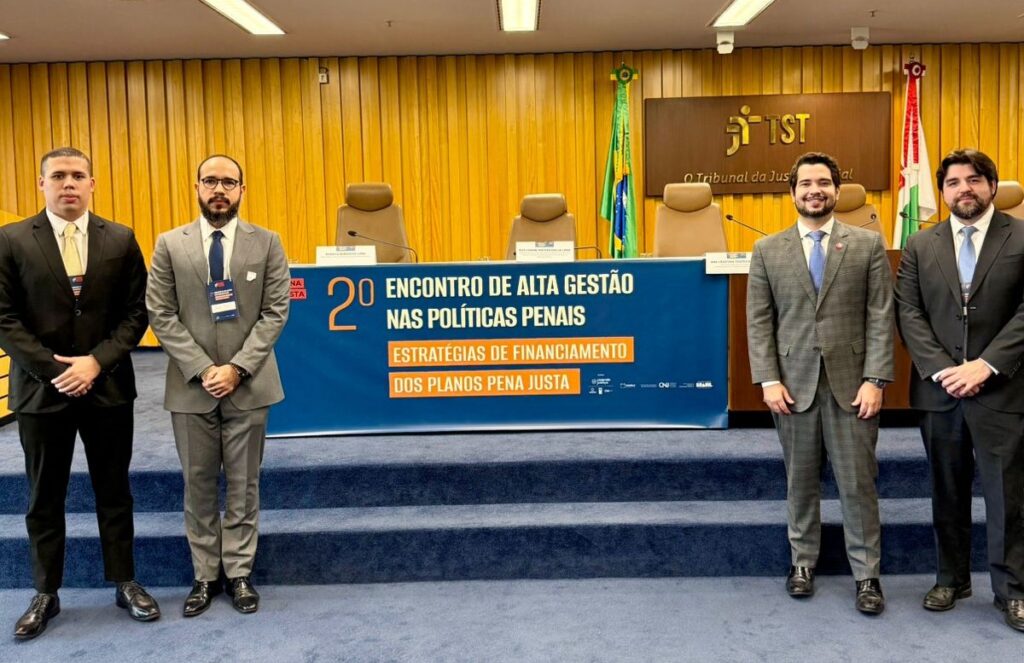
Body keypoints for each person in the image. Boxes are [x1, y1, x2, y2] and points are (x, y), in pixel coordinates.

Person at [0, 147, 159, 640]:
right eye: (58, 176)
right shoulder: (10, 239)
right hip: (41, 392)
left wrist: (96, 362)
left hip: (107, 387)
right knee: (43, 497)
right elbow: (4, 317)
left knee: (114, 492)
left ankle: (125, 581)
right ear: (42, 183)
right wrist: (55, 370)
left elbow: (137, 312)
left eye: (77, 175)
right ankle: (45, 592)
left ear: (92, 184)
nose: (68, 183)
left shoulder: (121, 238)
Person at [747, 151, 894, 614]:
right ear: (792, 193)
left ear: (837, 190)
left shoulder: (867, 245)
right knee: (800, 482)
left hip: (854, 388)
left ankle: (867, 576)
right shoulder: (767, 250)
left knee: (858, 485)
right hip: (792, 388)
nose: (815, 191)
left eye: (824, 183)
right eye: (806, 184)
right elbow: (759, 322)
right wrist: (768, 379)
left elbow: (880, 316)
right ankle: (802, 563)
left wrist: (876, 379)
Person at [146, 154, 289, 617]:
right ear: (197, 187)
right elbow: (160, 313)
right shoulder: (170, 244)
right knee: (199, 485)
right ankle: (205, 576)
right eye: (211, 181)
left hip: (250, 385)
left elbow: (275, 313)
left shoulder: (267, 243)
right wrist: (204, 368)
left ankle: (240, 573)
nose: (219, 190)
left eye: (229, 182)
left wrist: (237, 369)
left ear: (242, 190)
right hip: (192, 387)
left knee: (244, 485)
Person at [894, 148, 1024, 633]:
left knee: (1007, 495)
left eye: (973, 180)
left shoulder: (1021, 236)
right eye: (952, 182)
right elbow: (908, 311)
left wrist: (985, 366)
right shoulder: (920, 245)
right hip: (940, 392)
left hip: (1004, 388)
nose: (963, 189)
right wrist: (945, 370)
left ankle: (1012, 589)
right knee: (946, 490)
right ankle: (951, 579)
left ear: (991, 185)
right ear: (943, 191)